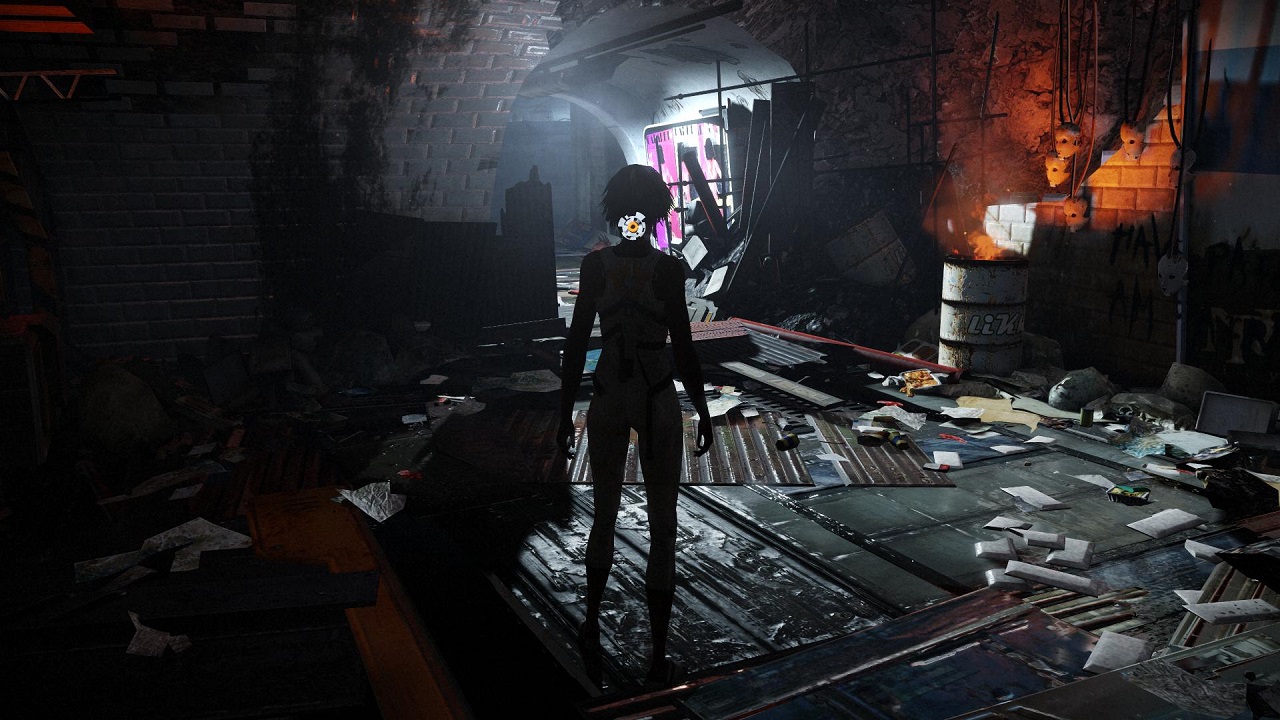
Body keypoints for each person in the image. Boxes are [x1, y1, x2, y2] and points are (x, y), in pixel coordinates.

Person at [557, 164, 714, 685]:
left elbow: (576, 343)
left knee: (604, 516)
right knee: (662, 524)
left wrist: (563, 413)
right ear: (655, 213)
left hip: (609, 395)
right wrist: (702, 408)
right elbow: (683, 348)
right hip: (655, 395)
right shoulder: (667, 271)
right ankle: (657, 654)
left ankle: (591, 625)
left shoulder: (595, 267)